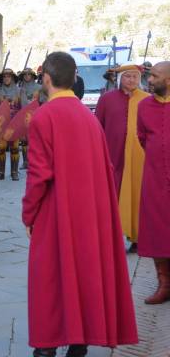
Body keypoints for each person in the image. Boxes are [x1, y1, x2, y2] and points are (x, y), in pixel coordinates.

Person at [22, 52, 138, 357]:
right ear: (74, 78)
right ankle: (79, 341)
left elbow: (38, 176)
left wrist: (29, 214)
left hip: (55, 210)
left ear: (46, 78)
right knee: (82, 274)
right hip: (90, 212)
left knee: (47, 278)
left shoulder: (44, 117)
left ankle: (45, 348)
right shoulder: (88, 117)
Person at [95, 64, 148, 253]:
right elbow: (97, 127)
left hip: (139, 158)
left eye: (135, 77)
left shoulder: (147, 100)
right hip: (113, 155)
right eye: (128, 77)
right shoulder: (107, 99)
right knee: (111, 195)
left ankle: (137, 238)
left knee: (138, 196)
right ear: (120, 79)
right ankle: (111, 238)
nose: (132, 80)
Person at [136, 61, 170, 305]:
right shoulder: (144, 106)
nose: (149, 80)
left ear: (168, 80)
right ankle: (164, 284)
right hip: (155, 180)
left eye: (154, 76)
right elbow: (142, 138)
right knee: (157, 230)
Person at [0, 68, 21, 181]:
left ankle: (14, 172)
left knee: (14, 148)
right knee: (1, 148)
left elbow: (24, 107)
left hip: (14, 122)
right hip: (2, 122)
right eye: (4, 77)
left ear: (12, 78)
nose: (6, 78)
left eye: (8, 76)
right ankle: (1, 173)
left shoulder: (19, 90)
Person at [18, 68, 42, 169]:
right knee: (24, 141)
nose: (27, 76)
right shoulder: (19, 89)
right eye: (25, 74)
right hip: (23, 117)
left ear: (32, 76)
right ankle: (25, 162)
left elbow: (44, 102)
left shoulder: (40, 88)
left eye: (29, 74)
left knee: (36, 140)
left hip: (36, 116)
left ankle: (36, 162)